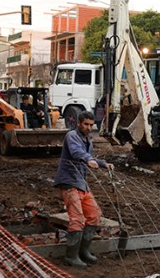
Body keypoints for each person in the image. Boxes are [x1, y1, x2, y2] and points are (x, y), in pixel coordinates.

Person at [53, 111, 114, 268]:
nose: (88, 127)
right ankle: (71, 256)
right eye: (85, 124)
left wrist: (103, 164)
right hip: (68, 182)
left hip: (81, 182)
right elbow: (76, 152)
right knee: (78, 219)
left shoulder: (88, 140)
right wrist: (88, 159)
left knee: (94, 215)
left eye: (90, 125)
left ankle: (84, 251)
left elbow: (88, 155)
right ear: (79, 123)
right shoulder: (72, 136)